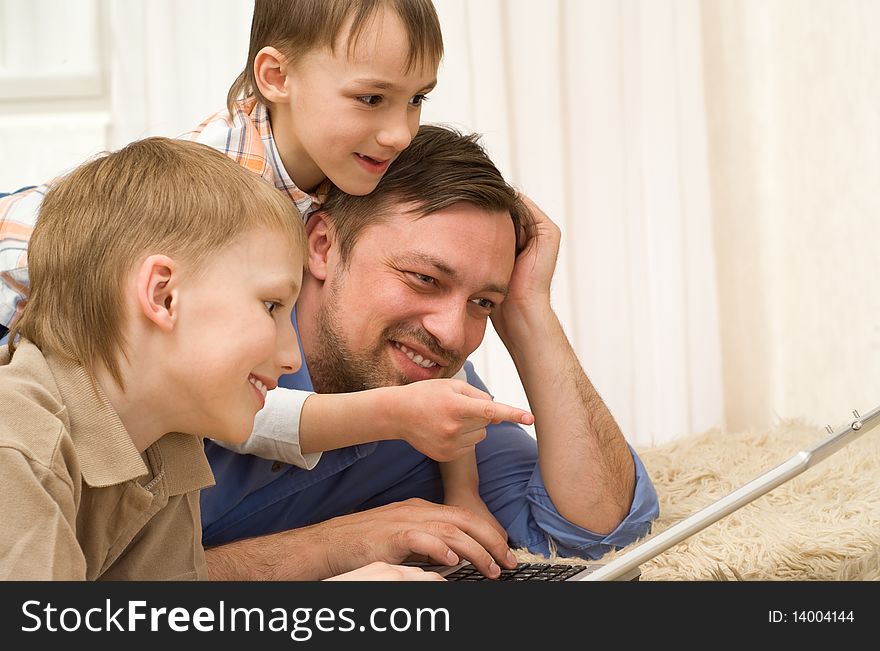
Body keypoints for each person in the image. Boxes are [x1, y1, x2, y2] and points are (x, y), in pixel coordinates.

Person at [0, 0, 517, 540]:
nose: (399, 133)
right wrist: (390, 412)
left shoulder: (348, 165)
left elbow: (442, 335)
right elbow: (235, 405)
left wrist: (463, 494)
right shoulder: (222, 196)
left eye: (416, 99)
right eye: (371, 98)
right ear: (276, 76)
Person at [199, 124, 661, 579]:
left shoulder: (433, 396)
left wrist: (528, 311)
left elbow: (595, 531)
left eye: (482, 302)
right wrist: (339, 544)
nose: (451, 334)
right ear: (321, 246)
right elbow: (131, 581)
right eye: (424, 279)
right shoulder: (196, 359)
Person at [0, 136, 441, 581]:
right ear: (163, 294)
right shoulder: (16, 445)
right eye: (270, 306)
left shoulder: (165, 444)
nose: (291, 359)